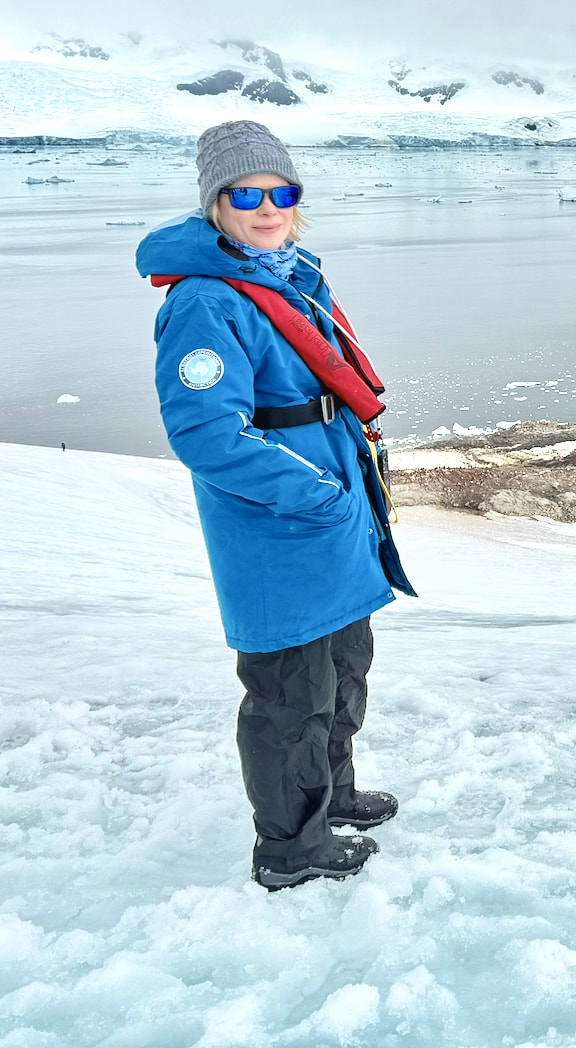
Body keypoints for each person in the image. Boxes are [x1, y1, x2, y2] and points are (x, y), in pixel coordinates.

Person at [134, 120, 415, 890]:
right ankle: (291, 849)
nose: (265, 207)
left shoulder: (285, 276)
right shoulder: (205, 304)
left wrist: (339, 496)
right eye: (245, 194)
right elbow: (206, 434)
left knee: (342, 671)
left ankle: (334, 797)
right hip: (280, 527)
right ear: (215, 204)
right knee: (291, 695)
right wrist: (316, 494)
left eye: (279, 192)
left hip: (329, 518)